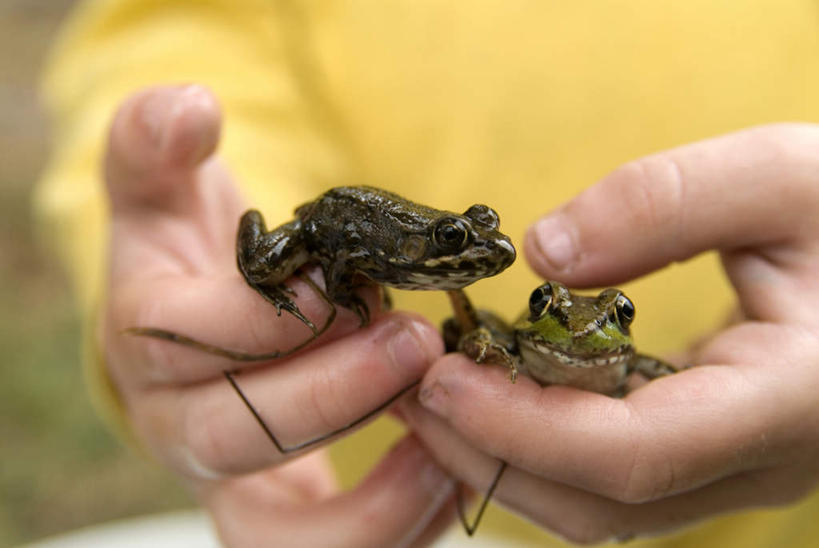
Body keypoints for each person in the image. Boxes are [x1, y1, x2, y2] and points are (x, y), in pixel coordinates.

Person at [35, 1, 819, 546]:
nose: (480, 255)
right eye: (460, 239)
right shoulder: (398, 254)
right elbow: (193, 30)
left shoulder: (437, 266)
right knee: (280, 270)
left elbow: (454, 289)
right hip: (375, 460)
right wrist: (213, 210)